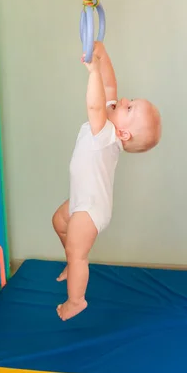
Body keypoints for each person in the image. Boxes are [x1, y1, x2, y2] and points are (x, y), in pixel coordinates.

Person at [53, 41, 161, 320]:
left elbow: (95, 103)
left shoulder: (105, 133)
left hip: (90, 210)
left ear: (124, 134)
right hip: (83, 200)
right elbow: (110, 86)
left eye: (129, 109)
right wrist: (102, 55)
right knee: (58, 222)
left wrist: (92, 73)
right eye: (131, 101)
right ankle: (71, 265)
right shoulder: (113, 123)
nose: (124, 101)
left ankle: (76, 301)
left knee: (79, 254)